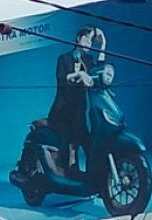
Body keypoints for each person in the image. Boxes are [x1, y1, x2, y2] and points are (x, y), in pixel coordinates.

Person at [47, 26, 106, 174]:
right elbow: (63, 79)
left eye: (91, 41)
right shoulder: (64, 58)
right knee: (69, 141)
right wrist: (78, 74)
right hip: (63, 112)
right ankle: (70, 171)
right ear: (78, 38)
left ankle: (95, 175)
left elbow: (99, 70)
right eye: (86, 39)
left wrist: (103, 43)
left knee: (88, 142)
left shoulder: (88, 59)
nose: (89, 44)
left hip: (79, 112)